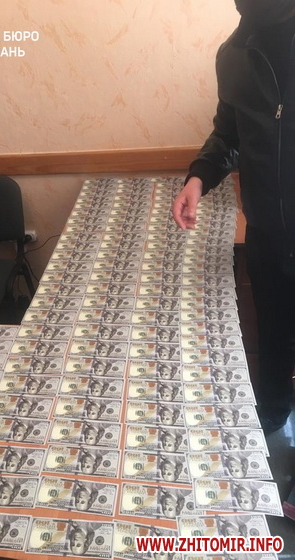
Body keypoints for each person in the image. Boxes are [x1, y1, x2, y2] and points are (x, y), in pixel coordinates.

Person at [172, 0, 295, 435]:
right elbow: (228, 134)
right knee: (274, 332)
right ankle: (274, 413)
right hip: (267, 230)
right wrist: (199, 178)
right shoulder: (233, 55)